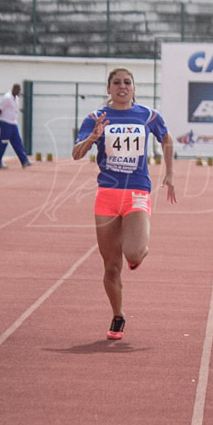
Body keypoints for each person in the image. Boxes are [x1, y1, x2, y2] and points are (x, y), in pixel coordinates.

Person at [72, 68, 176, 340]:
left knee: (134, 253)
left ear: (134, 88)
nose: (122, 86)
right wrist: (92, 138)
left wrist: (170, 173)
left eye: (127, 82)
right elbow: (75, 153)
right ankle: (118, 315)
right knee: (110, 266)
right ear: (108, 88)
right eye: (116, 82)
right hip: (107, 194)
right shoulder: (95, 118)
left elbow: (166, 139)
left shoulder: (148, 115)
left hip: (137, 191)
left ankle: (138, 252)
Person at [0, 83, 31, 169]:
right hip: (5, 123)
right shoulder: (7, 98)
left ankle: (24, 161)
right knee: (3, 142)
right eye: (18, 90)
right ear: (14, 89)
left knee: (18, 142)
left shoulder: (16, 98)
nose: (19, 92)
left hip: (13, 123)